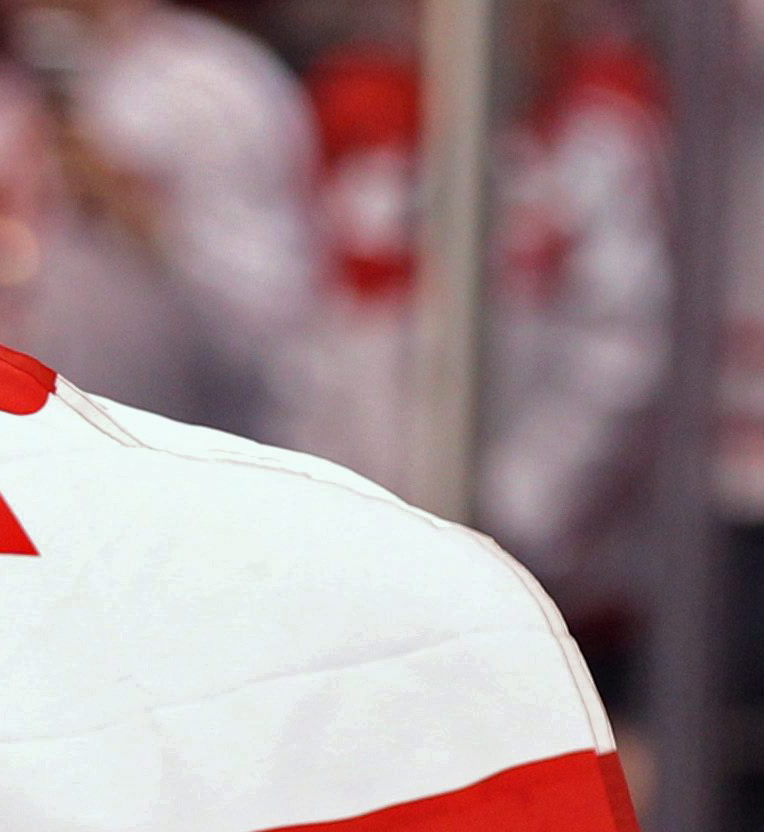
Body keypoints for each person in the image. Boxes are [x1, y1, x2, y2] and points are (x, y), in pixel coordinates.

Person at [283, 0, 668, 663]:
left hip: (554, 589)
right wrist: (345, 508)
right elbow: (305, 333)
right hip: (371, 575)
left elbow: (625, 352)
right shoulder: (353, 107)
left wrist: (515, 513)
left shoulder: (601, 127)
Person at [0, 0, 317, 437]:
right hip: (21, 445)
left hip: (191, 440)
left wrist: (142, 222)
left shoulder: (219, 88)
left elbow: (281, 331)